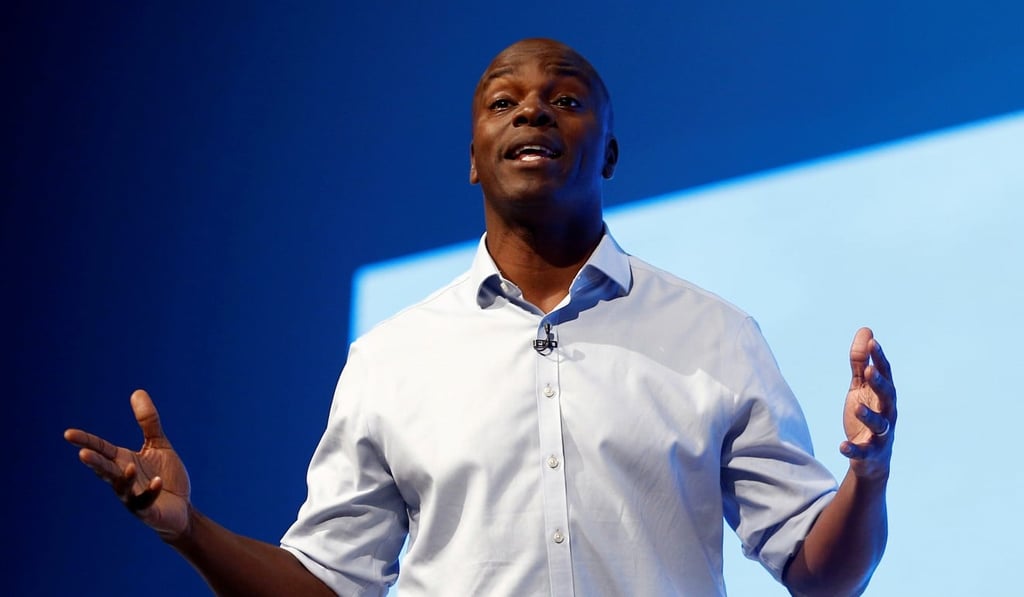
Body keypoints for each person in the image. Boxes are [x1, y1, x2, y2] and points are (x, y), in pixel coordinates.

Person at [65, 38, 896, 596]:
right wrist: (187, 531)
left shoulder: (716, 334)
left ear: (607, 149)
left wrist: (869, 474)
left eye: (565, 99)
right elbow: (327, 583)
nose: (533, 112)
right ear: (473, 158)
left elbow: (820, 573)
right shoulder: (392, 359)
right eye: (504, 102)